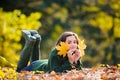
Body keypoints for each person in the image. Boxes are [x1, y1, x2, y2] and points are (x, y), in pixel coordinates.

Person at [16, 30, 86, 73]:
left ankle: (37, 39)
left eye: (75, 42)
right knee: (19, 70)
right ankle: (30, 41)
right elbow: (55, 72)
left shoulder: (75, 52)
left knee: (34, 61)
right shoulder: (55, 53)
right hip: (36, 66)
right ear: (62, 43)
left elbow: (79, 70)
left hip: (43, 63)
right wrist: (70, 61)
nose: (73, 45)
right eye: (69, 42)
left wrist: (76, 61)